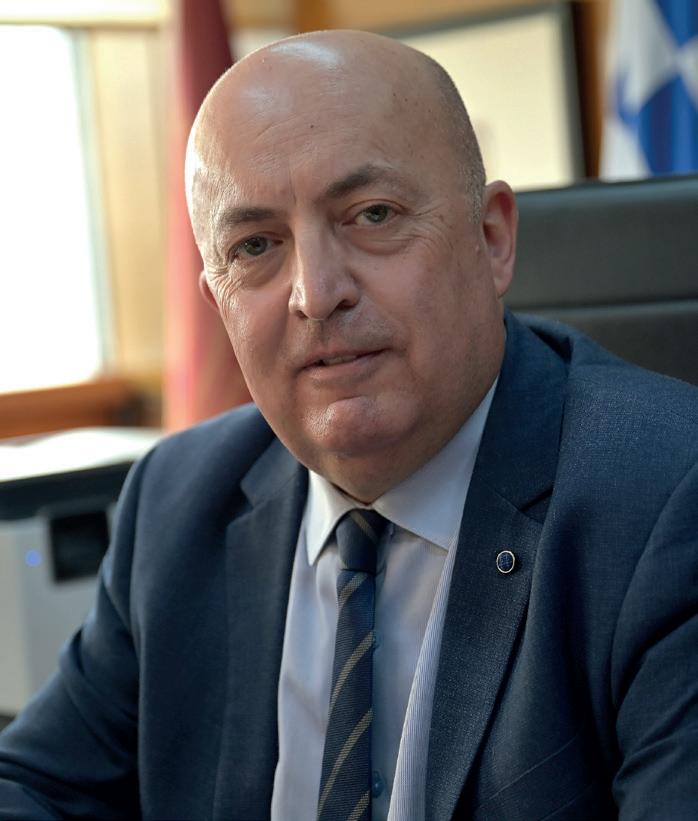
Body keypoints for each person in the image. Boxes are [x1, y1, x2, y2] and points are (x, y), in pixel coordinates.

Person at [1, 29, 697, 821]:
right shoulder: (177, 500)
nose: (316, 291)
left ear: (492, 238)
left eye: (371, 214)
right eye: (255, 245)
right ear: (219, 303)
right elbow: (34, 787)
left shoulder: (666, 498)